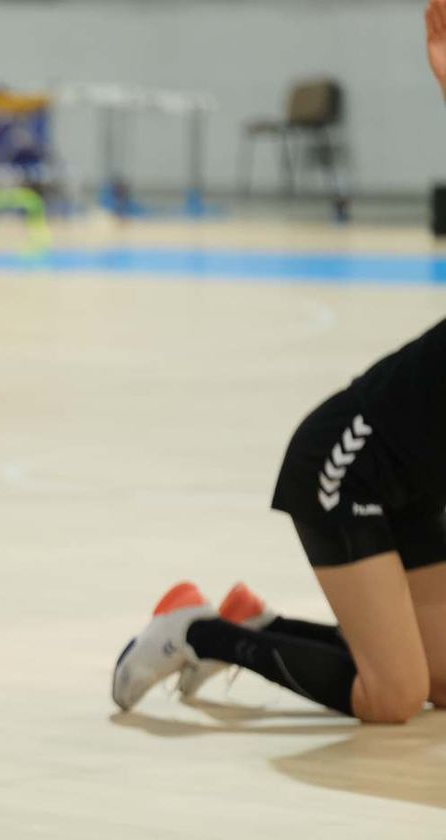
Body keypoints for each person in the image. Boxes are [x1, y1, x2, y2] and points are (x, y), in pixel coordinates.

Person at [111, 1, 446, 724]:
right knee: (393, 698)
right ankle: (200, 633)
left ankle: (254, 624)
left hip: (418, 486)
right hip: (344, 466)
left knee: (438, 682)